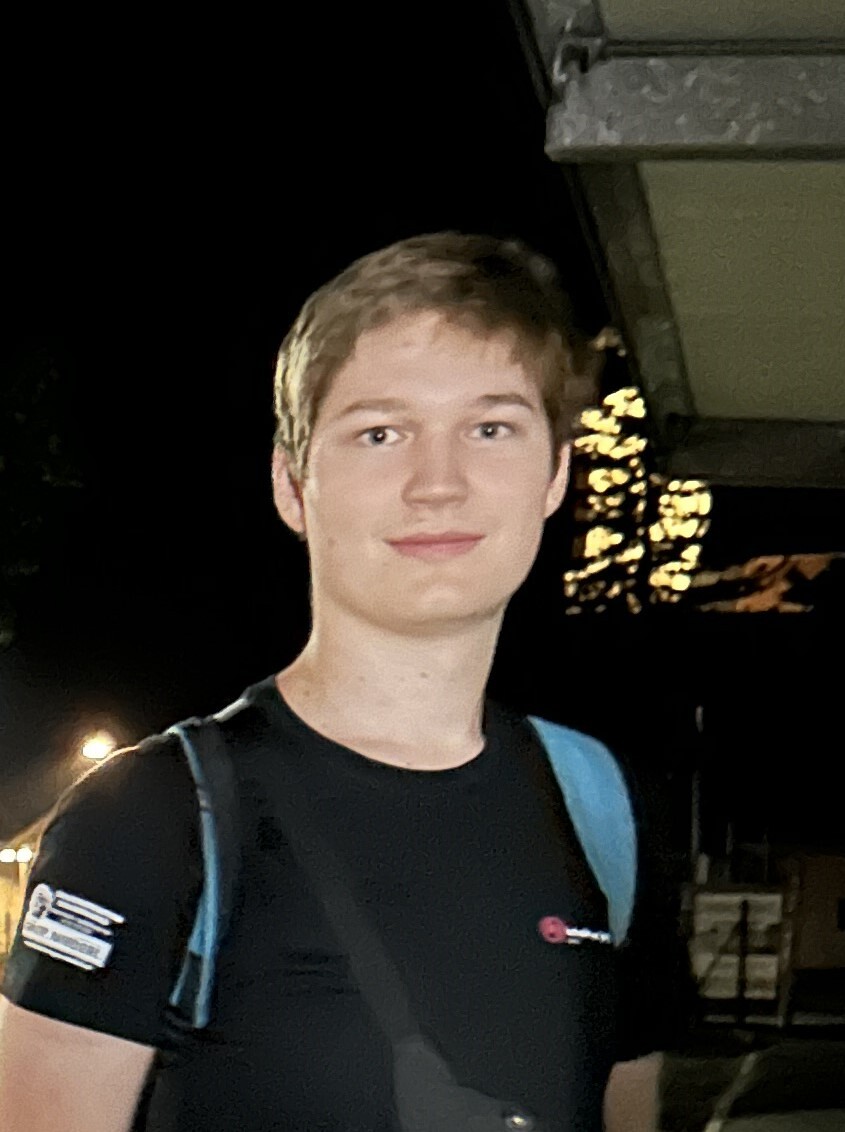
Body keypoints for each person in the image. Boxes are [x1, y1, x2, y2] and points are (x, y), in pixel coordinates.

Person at [0, 233, 684, 1131]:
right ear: (293, 484)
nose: (438, 484)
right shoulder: (153, 818)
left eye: (490, 428)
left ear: (554, 474)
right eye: (380, 433)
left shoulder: (604, 810)